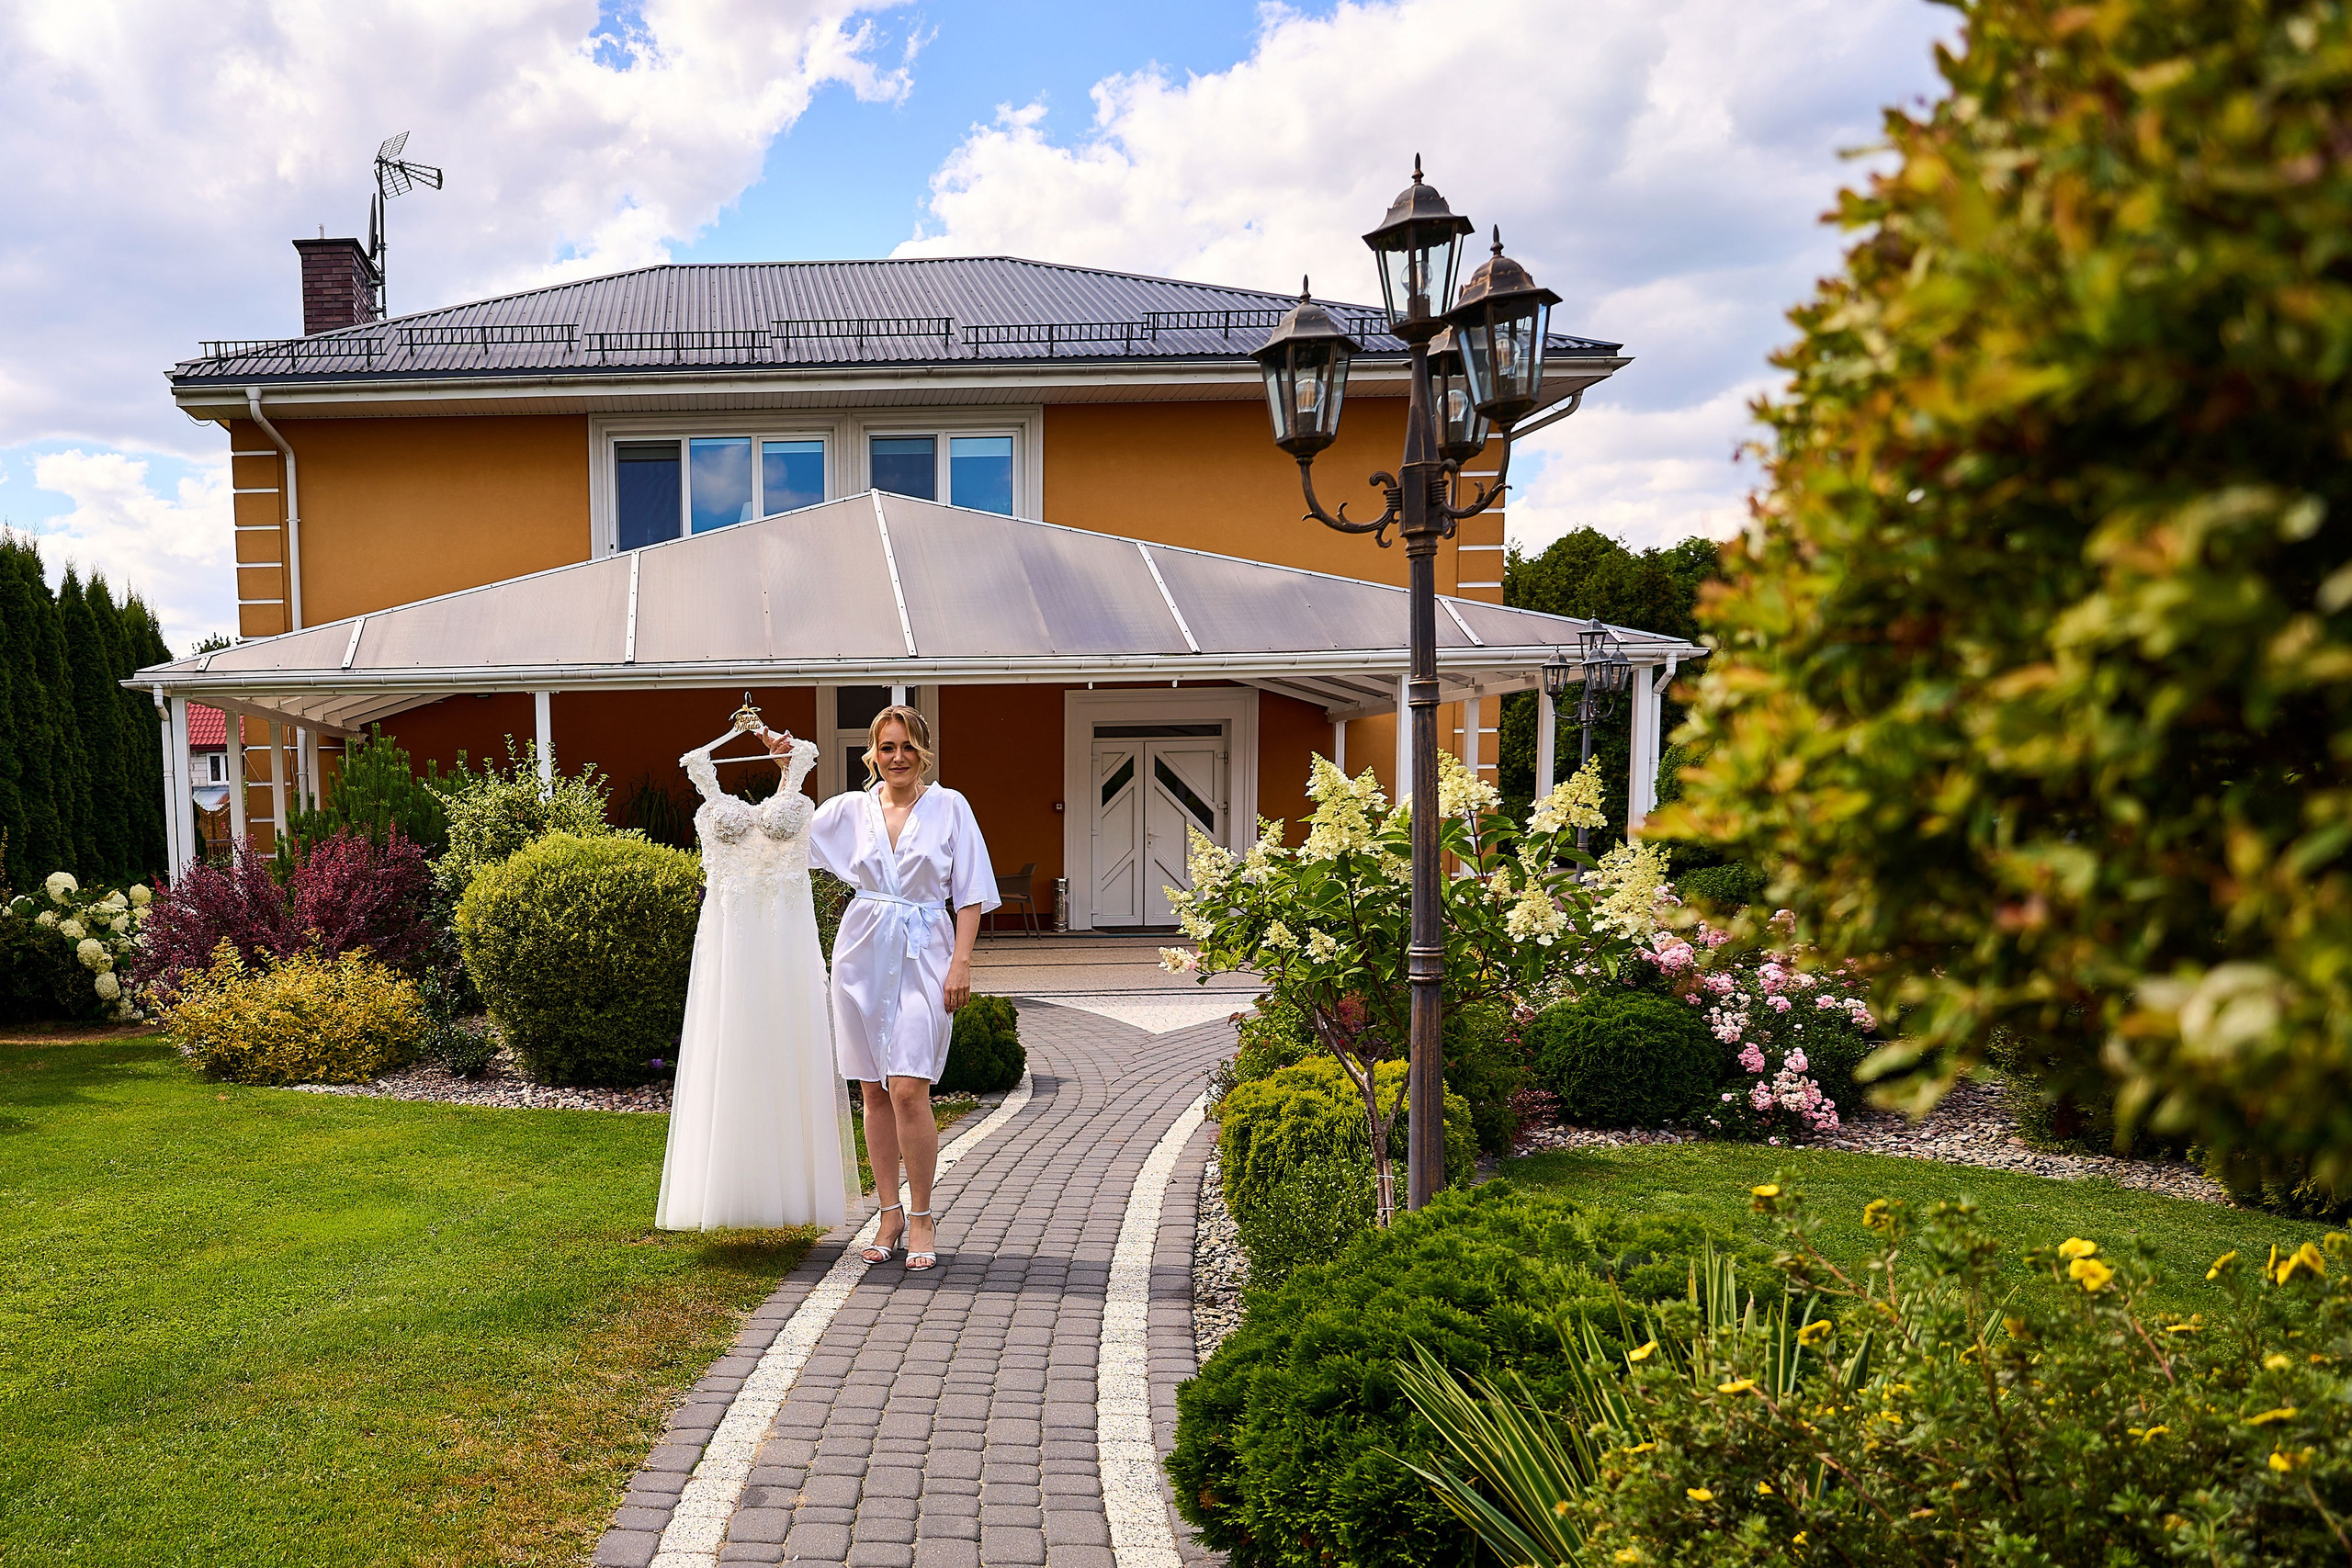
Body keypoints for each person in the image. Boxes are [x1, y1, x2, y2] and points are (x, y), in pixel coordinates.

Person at [796, 705, 1000, 1271]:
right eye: (887, 747)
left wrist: (960, 964)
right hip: (861, 953)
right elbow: (787, 835)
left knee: (910, 1087)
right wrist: (788, 763)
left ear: (923, 751)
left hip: (925, 953)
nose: (898, 757)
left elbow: (972, 891)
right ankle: (887, 1211)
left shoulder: (950, 807)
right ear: (873, 753)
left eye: (907, 746)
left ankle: (922, 1215)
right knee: (874, 1092)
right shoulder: (850, 810)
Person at [658, 729, 857, 1230]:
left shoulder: (801, 768)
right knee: (734, 1043)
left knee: (786, 1044)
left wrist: (787, 763)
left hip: (787, 937)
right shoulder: (700, 768)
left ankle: (796, 1193)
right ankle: (727, 1193)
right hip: (732, 937)